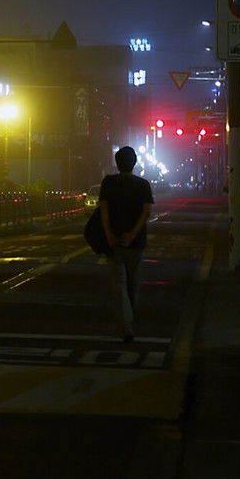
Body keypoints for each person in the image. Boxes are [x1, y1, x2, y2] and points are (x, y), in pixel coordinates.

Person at [98, 146, 154, 342]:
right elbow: (146, 213)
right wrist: (132, 234)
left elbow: (103, 211)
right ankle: (129, 321)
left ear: (117, 162)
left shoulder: (108, 183)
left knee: (119, 283)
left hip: (113, 243)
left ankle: (126, 324)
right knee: (133, 283)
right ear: (135, 163)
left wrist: (109, 234)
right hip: (136, 243)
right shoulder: (143, 185)